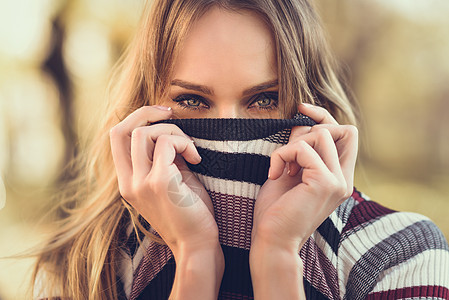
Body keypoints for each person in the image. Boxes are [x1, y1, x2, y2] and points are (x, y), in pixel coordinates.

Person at [32, 0, 449, 299]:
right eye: (193, 101)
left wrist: (278, 260)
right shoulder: (82, 268)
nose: (230, 133)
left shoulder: (402, 254)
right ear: (143, 112)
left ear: (310, 103)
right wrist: (195, 261)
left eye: (265, 99)